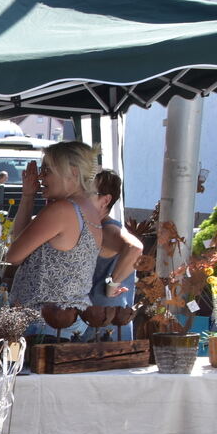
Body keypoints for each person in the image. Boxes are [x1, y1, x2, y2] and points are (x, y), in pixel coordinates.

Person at [8, 142, 139, 339]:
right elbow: (19, 243)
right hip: (62, 320)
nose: (42, 177)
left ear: (73, 172)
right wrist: (28, 196)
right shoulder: (88, 211)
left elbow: (13, 255)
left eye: (48, 170)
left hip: (46, 321)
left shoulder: (62, 209)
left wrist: (112, 282)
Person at [87, 169, 143, 340]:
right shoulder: (95, 227)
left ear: (105, 200)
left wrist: (112, 284)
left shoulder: (108, 229)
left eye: (87, 193)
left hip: (107, 325)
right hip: (101, 320)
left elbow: (135, 248)